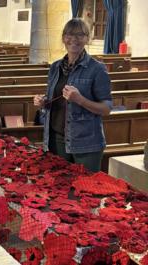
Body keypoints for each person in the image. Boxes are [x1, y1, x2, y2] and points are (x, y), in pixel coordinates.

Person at [33, 18, 112, 172]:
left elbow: (107, 108)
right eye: (69, 35)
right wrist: (43, 102)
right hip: (56, 139)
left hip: (86, 143)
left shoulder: (97, 69)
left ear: (87, 39)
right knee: (57, 189)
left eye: (80, 35)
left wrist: (80, 100)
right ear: (63, 38)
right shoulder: (55, 67)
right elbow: (55, 101)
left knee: (85, 190)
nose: (74, 39)